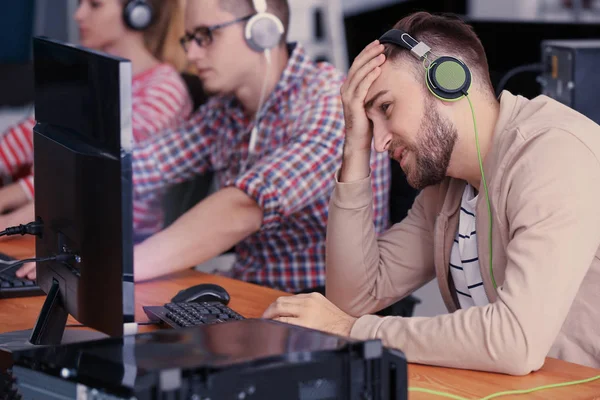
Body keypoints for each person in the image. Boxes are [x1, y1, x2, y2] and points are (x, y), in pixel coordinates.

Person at [262, 12, 600, 374]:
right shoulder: (449, 187)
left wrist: (354, 330)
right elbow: (353, 298)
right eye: (370, 124)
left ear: (448, 81)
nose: (379, 142)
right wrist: (353, 146)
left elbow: (515, 342)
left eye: (386, 108)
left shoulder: (554, 154)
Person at [131, 0, 390, 292]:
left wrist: (128, 266)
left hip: (327, 308)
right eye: (189, 39)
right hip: (255, 296)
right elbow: (145, 167)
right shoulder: (226, 110)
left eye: (206, 36)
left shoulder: (330, 104)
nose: (191, 54)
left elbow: (244, 207)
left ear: (262, 31)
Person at [9, 0, 193, 279]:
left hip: (118, 254)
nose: (79, 14)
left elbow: (88, 176)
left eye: (95, 4)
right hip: (59, 233)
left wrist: (5, 215)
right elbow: (23, 140)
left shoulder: (164, 92)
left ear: (138, 14)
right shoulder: (86, 79)